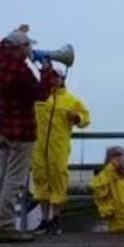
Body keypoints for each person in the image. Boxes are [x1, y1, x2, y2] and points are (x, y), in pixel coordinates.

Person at [0, 24, 59, 243]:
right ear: (19, 48)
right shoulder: (19, 72)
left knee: (2, 176)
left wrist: (19, 31)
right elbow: (41, 93)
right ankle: (6, 225)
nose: (29, 53)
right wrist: (46, 71)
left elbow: (0, 44)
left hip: (4, 129)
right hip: (21, 131)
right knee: (14, 181)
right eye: (26, 48)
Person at [31, 69, 91, 235]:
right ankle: (44, 220)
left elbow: (86, 118)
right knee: (40, 178)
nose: (54, 80)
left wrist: (77, 118)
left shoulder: (71, 100)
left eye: (57, 77)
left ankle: (56, 219)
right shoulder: (39, 96)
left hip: (59, 146)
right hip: (39, 146)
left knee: (58, 178)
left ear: (62, 79)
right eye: (51, 77)